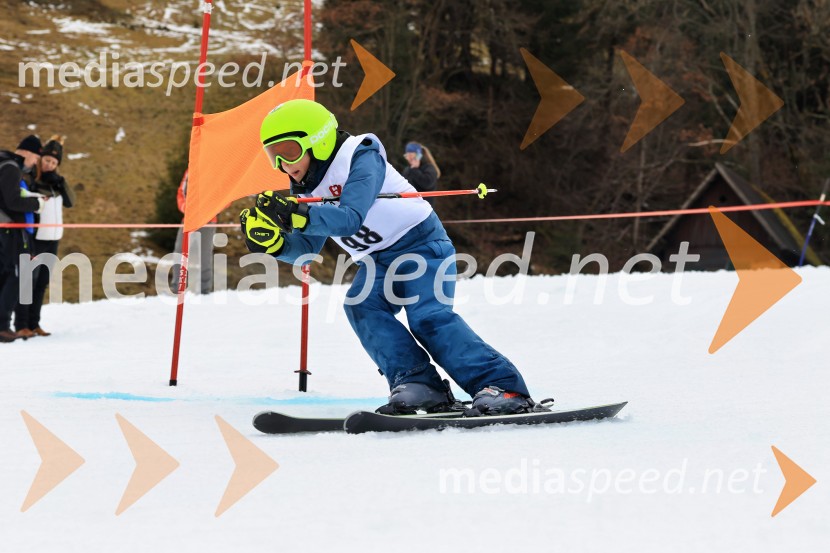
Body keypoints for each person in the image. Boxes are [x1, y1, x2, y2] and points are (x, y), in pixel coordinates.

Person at [239, 99, 545, 415]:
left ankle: (503, 387)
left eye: (289, 151)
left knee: (428, 317)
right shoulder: (305, 185)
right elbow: (306, 250)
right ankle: (419, 384)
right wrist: (275, 244)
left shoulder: (361, 155)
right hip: (378, 261)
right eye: (274, 156)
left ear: (319, 140)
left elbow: (350, 218)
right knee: (362, 306)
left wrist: (297, 215)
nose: (284, 165)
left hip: (422, 245)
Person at [14, 136, 75, 338]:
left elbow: (70, 202)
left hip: (53, 239)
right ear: (40, 159)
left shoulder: (56, 183)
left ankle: (34, 324)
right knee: (27, 282)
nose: (50, 165)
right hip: (36, 238)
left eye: (54, 163)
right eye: (47, 160)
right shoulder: (32, 178)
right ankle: (21, 324)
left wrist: (61, 183)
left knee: (41, 283)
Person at [0, 135, 44, 343]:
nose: (35, 163)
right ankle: (2, 325)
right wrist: (36, 205)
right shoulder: (10, 167)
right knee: (17, 276)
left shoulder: (4, 164)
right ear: (26, 152)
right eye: (36, 158)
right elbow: (12, 201)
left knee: (6, 275)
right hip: (9, 231)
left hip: (5, 230)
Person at [169, 168, 226, 294]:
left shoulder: (217, 170)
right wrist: (186, 208)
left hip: (208, 219)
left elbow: (227, 195)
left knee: (204, 254)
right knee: (179, 250)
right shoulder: (191, 169)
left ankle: (204, 290)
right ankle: (177, 287)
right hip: (189, 218)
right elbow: (181, 192)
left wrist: (213, 210)